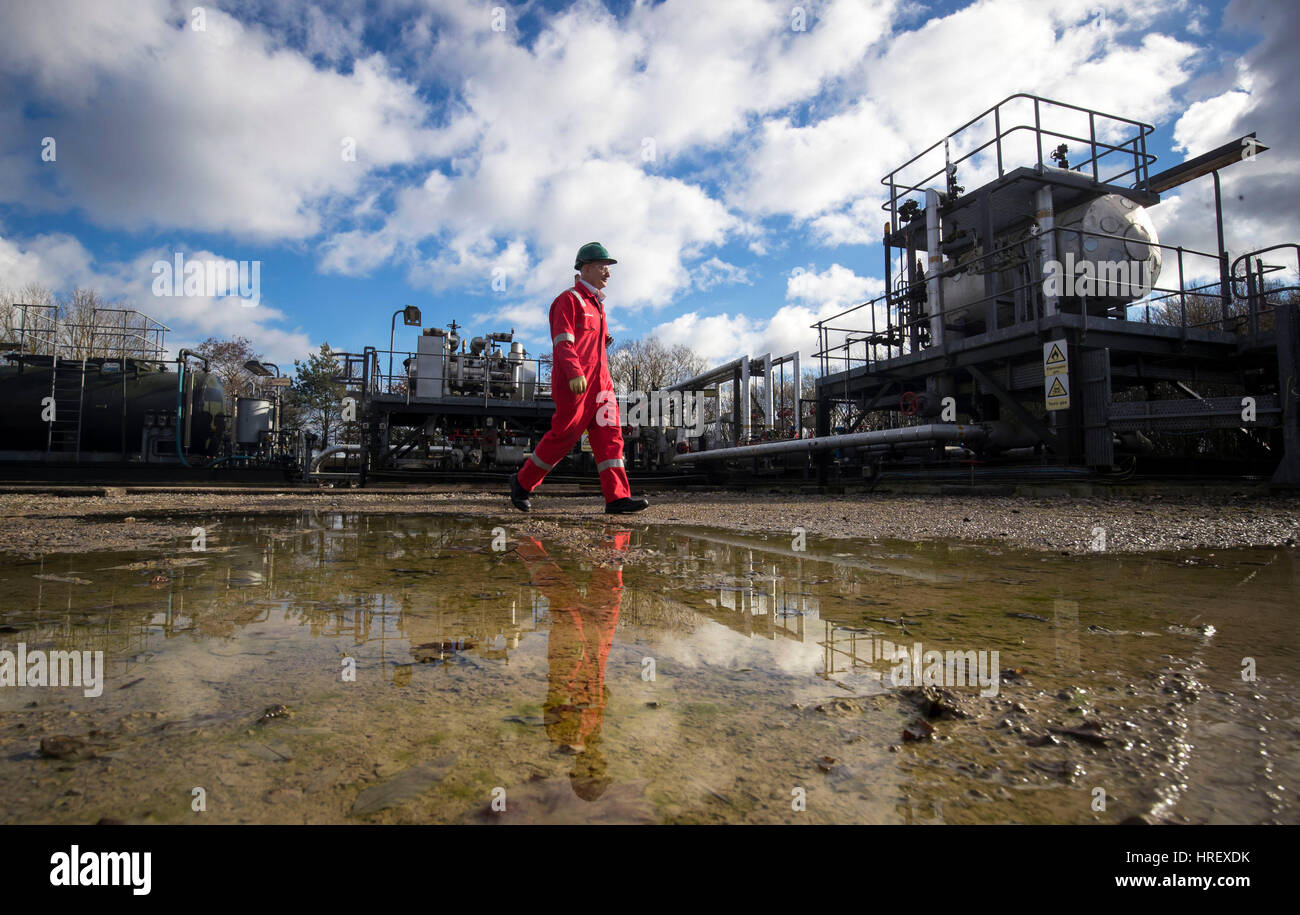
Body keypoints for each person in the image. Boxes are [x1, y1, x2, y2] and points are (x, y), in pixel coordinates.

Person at [510, 242, 649, 514]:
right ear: (585, 268)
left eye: (608, 268)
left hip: (602, 385)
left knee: (611, 438)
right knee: (564, 437)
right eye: (602, 267)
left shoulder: (598, 306)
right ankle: (522, 482)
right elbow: (563, 341)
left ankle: (617, 498)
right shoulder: (569, 300)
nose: (608, 273)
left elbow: (593, 343)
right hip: (577, 385)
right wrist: (574, 372)